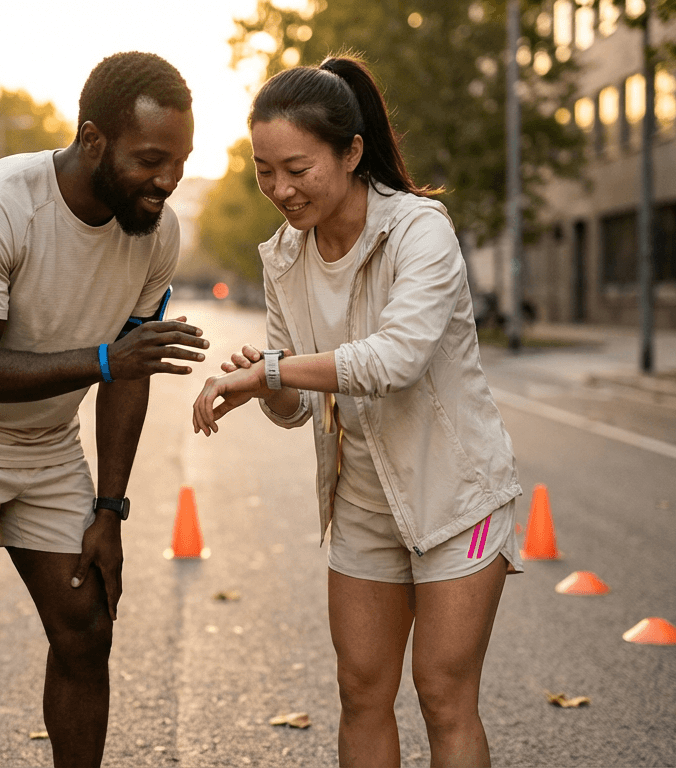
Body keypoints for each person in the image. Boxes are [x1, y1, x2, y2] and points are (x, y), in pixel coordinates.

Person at [192, 56, 523, 767]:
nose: (279, 189)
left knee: (442, 693)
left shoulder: (418, 231)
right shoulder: (284, 256)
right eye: (263, 169)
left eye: (297, 167)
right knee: (360, 691)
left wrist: (276, 368)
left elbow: (393, 361)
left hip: (455, 497)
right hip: (364, 501)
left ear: (350, 152)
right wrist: (264, 384)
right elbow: (295, 404)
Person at [0, 52, 206, 768]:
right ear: (93, 139)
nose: (167, 180)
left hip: (46, 442)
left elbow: (131, 372)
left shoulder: (157, 231)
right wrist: (101, 360)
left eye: (181, 161)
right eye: (150, 159)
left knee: (87, 628)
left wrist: (111, 510)